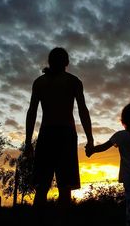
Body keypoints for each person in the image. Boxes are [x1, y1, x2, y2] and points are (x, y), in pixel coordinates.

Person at [24, 47, 93, 208]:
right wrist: (90, 138)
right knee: (65, 186)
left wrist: (28, 142)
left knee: (42, 185)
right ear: (67, 63)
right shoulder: (72, 81)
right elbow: (83, 110)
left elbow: (32, 112)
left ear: (49, 61)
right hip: (65, 134)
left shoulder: (40, 82)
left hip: (48, 134)